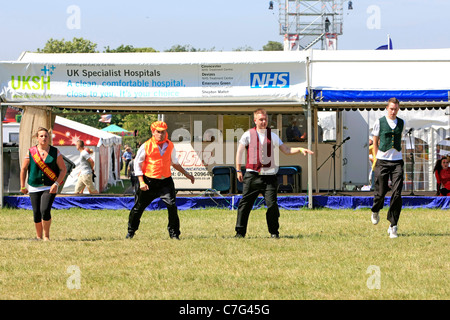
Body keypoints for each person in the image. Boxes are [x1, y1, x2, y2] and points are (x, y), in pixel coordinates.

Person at [235, 108, 314, 238]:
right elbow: (239, 152)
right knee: (245, 205)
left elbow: (287, 150)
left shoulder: (273, 135)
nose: (264, 122)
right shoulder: (248, 134)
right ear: (255, 120)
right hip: (252, 176)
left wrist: (300, 149)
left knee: (272, 206)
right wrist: (238, 169)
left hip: (269, 177)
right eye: (261, 119)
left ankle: (274, 233)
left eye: (265, 119)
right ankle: (240, 232)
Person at [126, 121, 195, 240]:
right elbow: (138, 164)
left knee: (172, 206)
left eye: (163, 132)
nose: (161, 134)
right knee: (138, 207)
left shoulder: (170, 145)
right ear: (153, 132)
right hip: (148, 181)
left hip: (165, 182)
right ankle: (131, 231)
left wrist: (187, 174)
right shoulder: (146, 146)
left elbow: (175, 163)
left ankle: (174, 234)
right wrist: (141, 182)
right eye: (158, 132)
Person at [20, 127, 67, 241]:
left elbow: (63, 169)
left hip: (49, 186)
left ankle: (46, 236)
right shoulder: (31, 151)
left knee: (45, 210)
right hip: (34, 186)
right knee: (36, 212)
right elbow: (24, 169)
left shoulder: (55, 152)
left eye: (46, 136)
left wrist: (56, 183)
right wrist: (22, 185)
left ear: (49, 137)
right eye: (41, 136)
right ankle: (38, 236)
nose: (44, 138)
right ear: (37, 138)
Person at [370, 98, 405, 238]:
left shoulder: (402, 123)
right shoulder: (379, 122)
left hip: (397, 161)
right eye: (391, 108)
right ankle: (376, 209)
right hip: (382, 161)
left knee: (397, 194)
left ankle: (393, 225)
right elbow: (375, 141)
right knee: (380, 191)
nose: (393, 111)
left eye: (395, 109)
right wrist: (376, 158)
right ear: (387, 108)